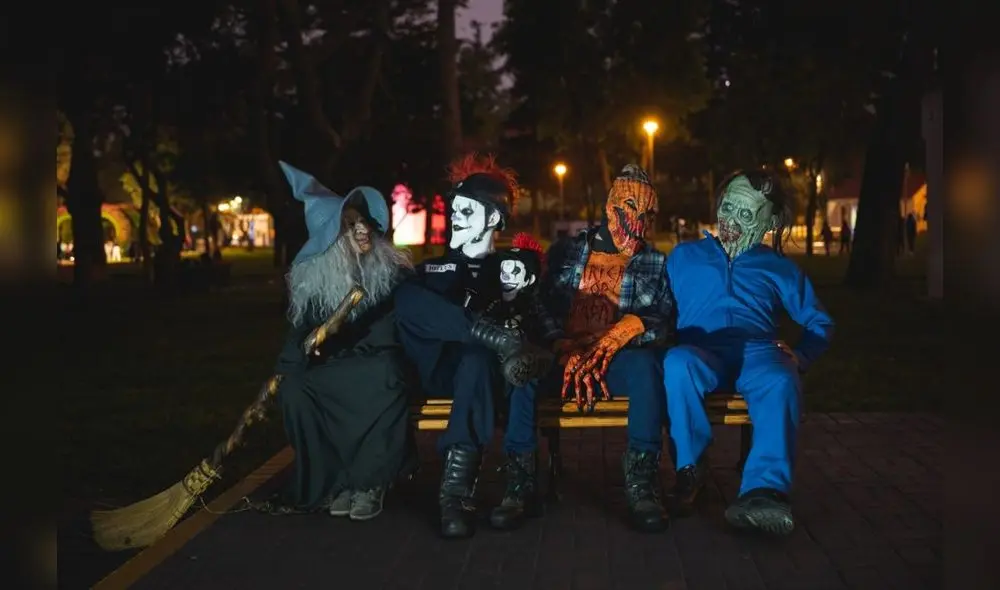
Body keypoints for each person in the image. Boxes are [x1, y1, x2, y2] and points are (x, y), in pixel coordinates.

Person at [663, 170, 834, 536]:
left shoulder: (779, 268)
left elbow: (819, 321)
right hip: (700, 348)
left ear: (770, 222)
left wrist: (802, 355)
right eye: (728, 207)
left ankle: (764, 491)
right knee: (677, 364)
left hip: (757, 352)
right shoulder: (683, 257)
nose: (732, 219)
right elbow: (659, 310)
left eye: (746, 213)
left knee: (781, 378)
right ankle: (690, 469)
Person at [394, 153, 556, 539]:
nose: (456, 217)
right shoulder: (430, 271)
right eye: (454, 210)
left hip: (491, 374)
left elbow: (538, 324)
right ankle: (494, 338)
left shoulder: (512, 270)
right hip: (435, 369)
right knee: (406, 297)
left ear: (495, 219)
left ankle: (455, 494)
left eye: (467, 210)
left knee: (476, 358)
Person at [512, 164, 674, 533]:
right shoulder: (566, 252)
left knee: (646, 367)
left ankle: (641, 481)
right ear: (611, 208)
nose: (640, 222)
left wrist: (629, 330)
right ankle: (519, 481)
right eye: (631, 209)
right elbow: (538, 305)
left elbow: (663, 319)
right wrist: (561, 343)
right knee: (523, 371)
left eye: (650, 215)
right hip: (563, 356)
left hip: (615, 362)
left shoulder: (654, 262)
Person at [255, 162, 417, 521]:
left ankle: (371, 481)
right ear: (329, 237)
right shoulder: (316, 282)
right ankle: (333, 482)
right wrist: (280, 376)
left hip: (381, 363)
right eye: (349, 224)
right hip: (336, 366)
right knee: (296, 389)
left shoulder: (393, 273)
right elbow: (298, 337)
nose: (362, 229)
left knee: (381, 375)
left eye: (363, 221)